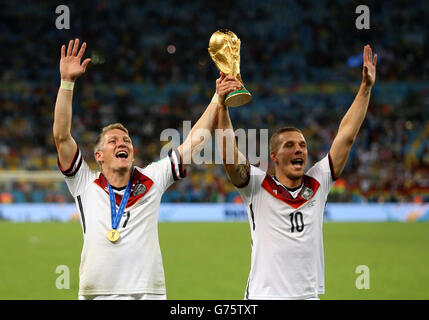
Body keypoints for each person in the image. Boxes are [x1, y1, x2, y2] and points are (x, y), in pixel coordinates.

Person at [53, 38, 242, 300]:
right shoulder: (84, 182)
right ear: (99, 156)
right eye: (113, 141)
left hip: (148, 294)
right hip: (98, 295)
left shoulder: (152, 178)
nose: (122, 143)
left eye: (127, 140)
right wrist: (67, 83)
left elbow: (194, 142)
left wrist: (216, 97)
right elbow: (62, 137)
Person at [216, 45, 377, 299]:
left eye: (302, 145)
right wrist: (222, 107)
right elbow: (228, 153)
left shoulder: (317, 183)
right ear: (274, 157)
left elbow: (346, 136)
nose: (299, 150)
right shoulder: (256, 186)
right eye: (289, 145)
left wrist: (365, 88)